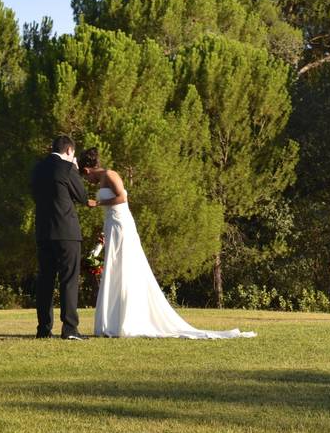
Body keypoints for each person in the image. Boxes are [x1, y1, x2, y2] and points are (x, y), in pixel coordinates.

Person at [77, 147, 255, 339]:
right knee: (115, 268)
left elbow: (122, 197)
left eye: (86, 178)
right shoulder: (101, 180)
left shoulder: (110, 175)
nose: (89, 182)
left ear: (87, 170)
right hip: (111, 224)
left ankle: (126, 319)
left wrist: (99, 203)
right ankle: (113, 320)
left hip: (121, 225)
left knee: (124, 266)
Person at [31, 135, 96, 340]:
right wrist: (75, 169)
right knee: (68, 280)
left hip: (43, 231)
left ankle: (43, 329)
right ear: (69, 151)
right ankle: (69, 328)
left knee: (45, 281)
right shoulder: (67, 168)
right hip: (66, 232)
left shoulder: (37, 169)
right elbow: (82, 197)